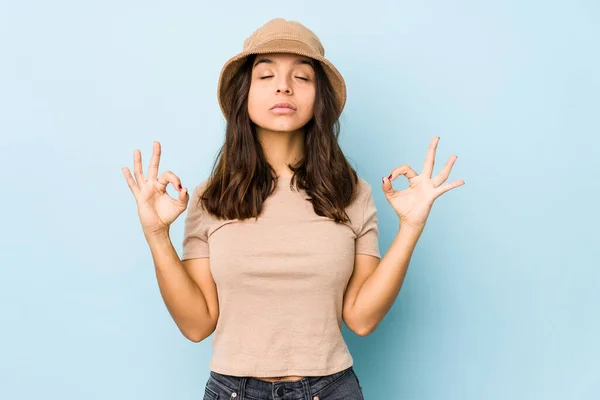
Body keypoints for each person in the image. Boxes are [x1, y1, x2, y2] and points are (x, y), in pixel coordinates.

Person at [122, 17, 464, 400]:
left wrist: (411, 227)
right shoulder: (210, 197)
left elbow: (362, 318)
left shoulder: (351, 193)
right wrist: (156, 235)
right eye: (265, 75)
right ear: (243, 95)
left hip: (331, 389)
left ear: (319, 99)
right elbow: (197, 324)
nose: (284, 85)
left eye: (302, 77)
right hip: (232, 390)